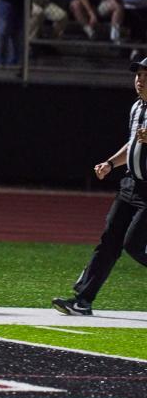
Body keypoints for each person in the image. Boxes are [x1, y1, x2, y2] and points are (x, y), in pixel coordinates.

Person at [53, 57, 147, 316]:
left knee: (134, 244)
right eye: (138, 75)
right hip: (130, 184)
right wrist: (110, 163)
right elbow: (133, 144)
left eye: (145, 76)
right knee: (109, 241)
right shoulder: (137, 108)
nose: (139, 80)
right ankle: (82, 299)